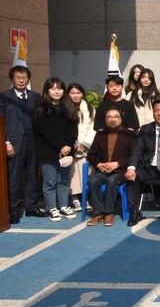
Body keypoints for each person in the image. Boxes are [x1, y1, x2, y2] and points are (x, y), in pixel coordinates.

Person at [32, 78, 79, 222]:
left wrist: (68, 146)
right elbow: (45, 131)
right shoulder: (40, 109)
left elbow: (73, 131)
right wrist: (61, 146)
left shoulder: (68, 108)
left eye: (59, 88)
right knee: (50, 181)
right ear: (47, 91)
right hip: (48, 152)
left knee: (63, 181)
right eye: (52, 88)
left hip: (66, 152)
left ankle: (64, 206)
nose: (56, 91)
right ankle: (52, 208)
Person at [1, 65, 42, 223]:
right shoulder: (4, 97)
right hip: (14, 142)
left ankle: (31, 207)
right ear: (12, 79)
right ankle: (14, 210)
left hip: (33, 140)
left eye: (24, 77)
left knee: (32, 176)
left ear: (28, 79)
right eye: (18, 77)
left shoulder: (35, 96)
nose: (21, 80)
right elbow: (1, 122)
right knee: (14, 178)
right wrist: (6, 141)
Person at [85, 107, 137, 227]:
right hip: (104, 169)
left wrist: (117, 164)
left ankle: (109, 212)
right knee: (93, 181)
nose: (112, 119)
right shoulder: (100, 135)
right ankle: (99, 213)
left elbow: (134, 155)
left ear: (121, 119)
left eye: (116, 117)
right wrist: (98, 164)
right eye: (109, 117)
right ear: (105, 119)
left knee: (111, 180)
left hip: (121, 171)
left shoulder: (129, 134)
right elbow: (91, 154)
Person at [67, 83, 96, 211]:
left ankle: (86, 198)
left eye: (78, 93)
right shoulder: (65, 108)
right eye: (73, 93)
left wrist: (85, 144)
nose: (76, 95)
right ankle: (74, 199)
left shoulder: (90, 109)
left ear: (82, 94)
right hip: (71, 147)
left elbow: (93, 128)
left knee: (87, 173)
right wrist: (75, 145)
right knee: (73, 174)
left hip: (87, 147)